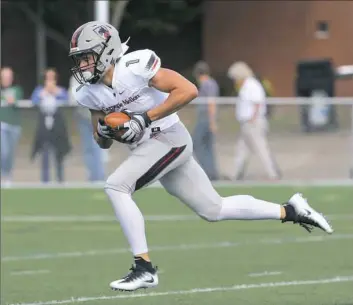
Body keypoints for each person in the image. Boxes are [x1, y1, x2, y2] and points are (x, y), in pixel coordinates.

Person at [68, 21, 333, 292]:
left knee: (116, 186)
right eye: (80, 61)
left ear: (108, 50)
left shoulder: (134, 66)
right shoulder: (89, 93)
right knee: (214, 209)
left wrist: (143, 119)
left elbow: (188, 90)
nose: (83, 66)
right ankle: (291, 210)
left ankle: (143, 268)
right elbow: (101, 143)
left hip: (169, 139)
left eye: (87, 58)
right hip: (150, 149)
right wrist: (105, 130)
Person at [227, 62, 281, 181]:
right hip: (246, 123)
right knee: (242, 149)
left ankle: (272, 173)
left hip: (253, 123)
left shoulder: (252, 85)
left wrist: (253, 117)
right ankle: (235, 174)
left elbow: (257, 102)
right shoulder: (245, 86)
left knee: (260, 148)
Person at [31, 68, 71, 183]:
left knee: (59, 154)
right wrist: (43, 93)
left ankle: (60, 180)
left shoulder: (60, 90)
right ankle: (45, 181)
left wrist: (56, 92)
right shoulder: (39, 90)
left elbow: (67, 100)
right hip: (44, 126)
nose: (50, 80)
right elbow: (33, 100)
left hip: (58, 126)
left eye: (52, 77)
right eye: (48, 77)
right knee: (45, 154)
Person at [69, 75, 105, 182]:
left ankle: (100, 177)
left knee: (97, 147)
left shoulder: (98, 73)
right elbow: (73, 97)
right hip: (82, 117)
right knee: (87, 148)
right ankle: (92, 177)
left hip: (97, 117)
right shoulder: (75, 77)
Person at [192, 61, 219, 180]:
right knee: (207, 146)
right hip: (204, 119)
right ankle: (211, 172)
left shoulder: (208, 84)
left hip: (205, 120)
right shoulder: (208, 84)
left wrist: (212, 121)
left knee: (197, 144)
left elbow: (211, 103)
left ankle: (209, 172)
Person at [0, 67, 23, 186]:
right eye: (4, 77)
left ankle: (8, 175)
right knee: (3, 151)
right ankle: (3, 173)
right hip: (2, 126)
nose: (7, 79)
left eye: (9, 77)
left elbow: (15, 100)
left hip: (14, 126)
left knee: (10, 153)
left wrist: (11, 100)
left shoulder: (17, 89)